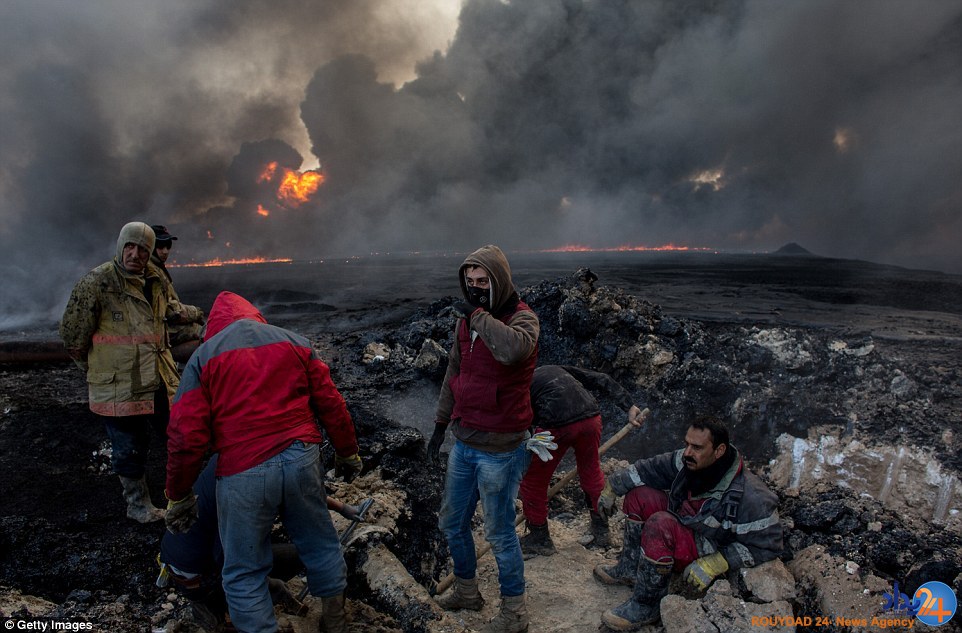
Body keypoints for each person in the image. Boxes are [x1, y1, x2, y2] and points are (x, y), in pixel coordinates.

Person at [164, 291, 363, 633]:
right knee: (320, 543)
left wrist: (179, 493)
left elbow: (186, 436)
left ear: (214, 326)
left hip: (244, 469)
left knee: (243, 570)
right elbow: (332, 403)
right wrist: (347, 452)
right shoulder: (295, 342)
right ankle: (335, 620)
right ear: (253, 316)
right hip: (302, 457)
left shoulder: (204, 356)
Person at [426, 245, 540, 633]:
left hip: (502, 448)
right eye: (469, 282)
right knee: (451, 522)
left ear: (499, 281)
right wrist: (441, 424)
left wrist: (478, 316)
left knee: (500, 532)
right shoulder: (465, 324)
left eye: (482, 282)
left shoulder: (524, 320)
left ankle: (515, 613)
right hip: (465, 441)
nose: (474, 289)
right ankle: (467, 591)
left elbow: (512, 351)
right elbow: (453, 373)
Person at [593, 416, 783, 631]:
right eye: (687, 444)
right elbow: (649, 469)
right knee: (639, 496)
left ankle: (647, 605)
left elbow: (769, 544)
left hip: (707, 545)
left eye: (697, 447)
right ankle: (630, 569)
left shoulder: (751, 497)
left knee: (660, 524)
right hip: (687, 522)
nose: (687, 452)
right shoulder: (688, 461)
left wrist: (716, 563)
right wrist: (613, 486)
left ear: (719, 451)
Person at [158, 455, 366, 631]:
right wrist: (265, 584)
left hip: (204, 552)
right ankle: (214, 607)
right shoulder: (240, 474)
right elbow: (230, 560)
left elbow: (299, 489)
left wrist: (340, 507)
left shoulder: (252, 453)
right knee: (245, 588)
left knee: (294, 557)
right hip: (198, 571)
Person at [60, 221, 179, 523]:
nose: (135, 254)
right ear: (120, 245)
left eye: (143, 249)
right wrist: (99, 370)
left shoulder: (156, 281)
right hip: (119, 385)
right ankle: (138, 505)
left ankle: (182, 495)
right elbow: (73, 336)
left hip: (157, 379)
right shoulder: (97, 283)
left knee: (180, 435)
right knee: (128, 447)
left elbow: (168, 316)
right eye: (130, 246)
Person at [518, 365, 645, 557]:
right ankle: (601, 530)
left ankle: (540, 539)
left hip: (556, 425)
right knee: (591, 471)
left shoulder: (517, 385)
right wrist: (628, 405)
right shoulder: (556, 369)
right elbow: (599, 377)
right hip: (590, 418)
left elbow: (519, 423)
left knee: (532, 482)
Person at [149, 224, 206, 347]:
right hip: (159, 331)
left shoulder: (157, 267)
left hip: (163, 327)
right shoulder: (150, 272)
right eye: (160, 246)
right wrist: (195, 313)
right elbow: (169, 310)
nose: (165, 251)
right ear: (150, 246)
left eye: (168, 246)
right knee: (207, 334)